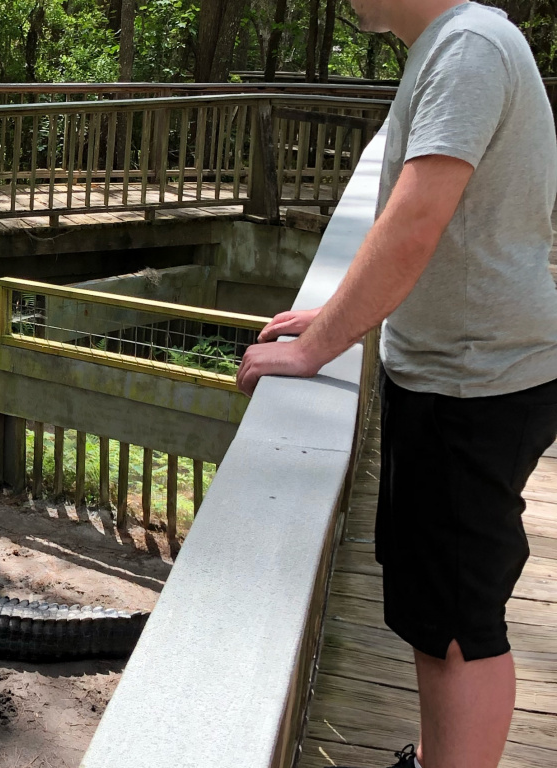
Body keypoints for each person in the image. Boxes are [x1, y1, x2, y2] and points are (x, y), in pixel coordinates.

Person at [235, 2, 557, 767]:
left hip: (478, 380)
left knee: (459, 622)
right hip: (456, 372)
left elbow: (417, 221)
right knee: (433, 608)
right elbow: (411, 226)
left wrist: (318, 345)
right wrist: (335, 313)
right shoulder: (451, 44)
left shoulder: (470, 47)